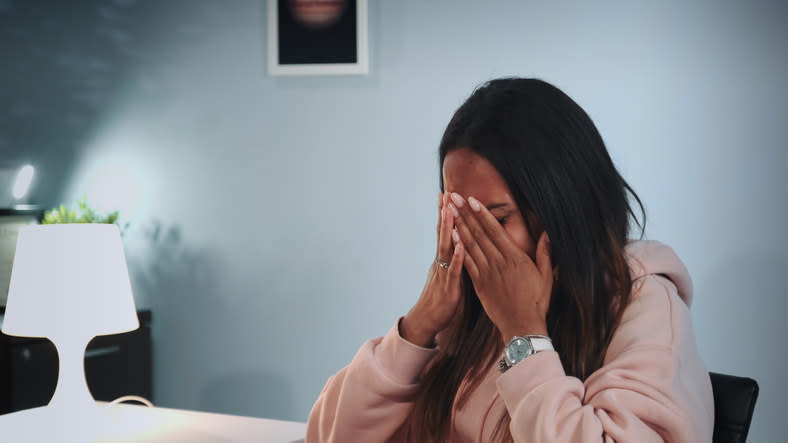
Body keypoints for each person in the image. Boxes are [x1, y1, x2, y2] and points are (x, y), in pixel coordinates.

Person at [306, 78, 714, 442]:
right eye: (460, 218)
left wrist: (524, 335)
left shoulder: (646, 310)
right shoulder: (470, 308)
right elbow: (327, 436)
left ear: (563, 205)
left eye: (496, 219)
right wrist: (417, 327)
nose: (473, 240)